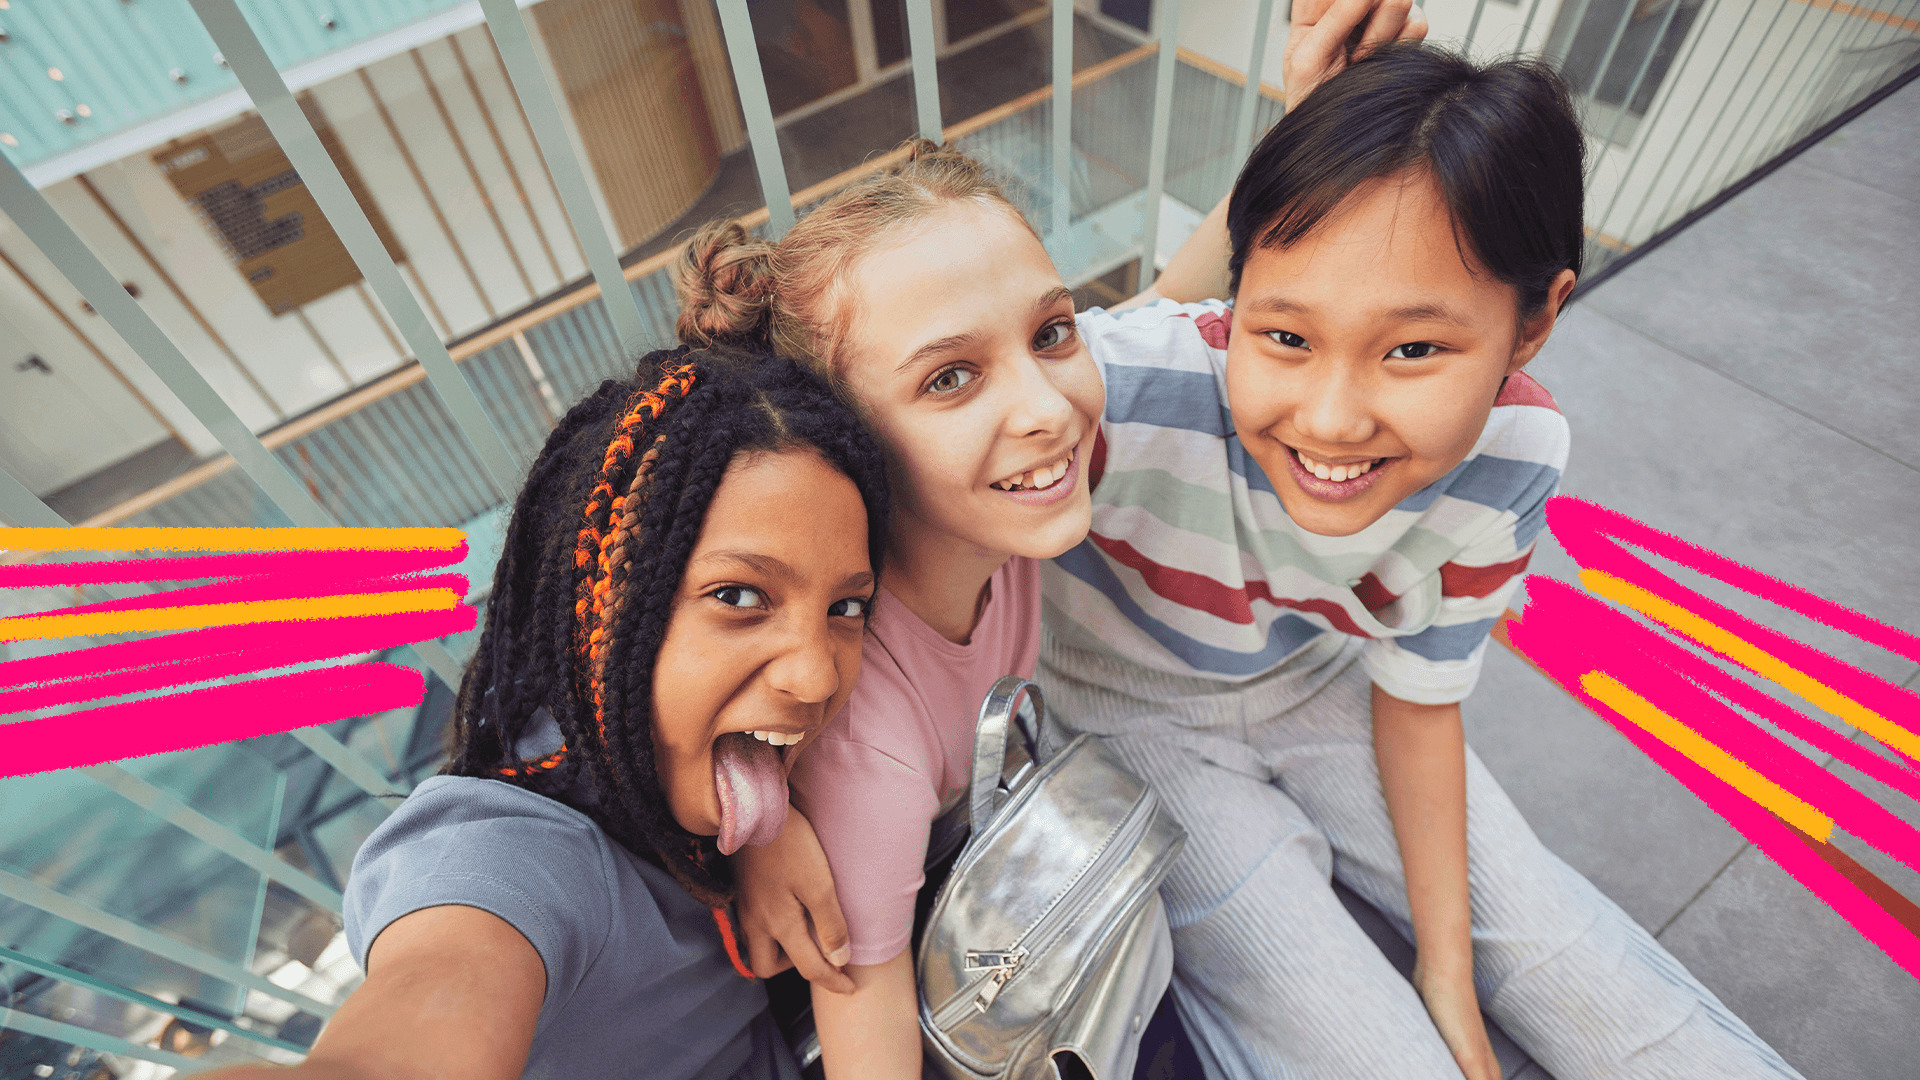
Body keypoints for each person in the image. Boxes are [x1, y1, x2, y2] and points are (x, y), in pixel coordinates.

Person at [1039, 42, 1808, 1080]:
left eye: (1412, 350)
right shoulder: (1120, 391)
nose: (1332, 418)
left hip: (1319, 685)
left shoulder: (1517, 454)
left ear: (1534, 319)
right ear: (1232, 302)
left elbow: (1420, 693)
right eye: (1286, 337)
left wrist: (1451, 967)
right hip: (1125, 716)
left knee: (1566, 962)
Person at [689, 5, 1430, 1078]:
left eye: (1050, 332)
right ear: (842, 439)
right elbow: (870, 1030)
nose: (1048, 406)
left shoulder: (1001, 491)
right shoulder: (870, 756)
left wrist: (1300, 122)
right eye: (951, 376)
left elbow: (1172, 295)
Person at [197, 347, 891, 1080]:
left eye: (847, 607)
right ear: (602, 611)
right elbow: (424, 1009)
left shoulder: (671, 754)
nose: (817, 676)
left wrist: (758, 840)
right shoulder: (506, 856)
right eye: (739, 596)